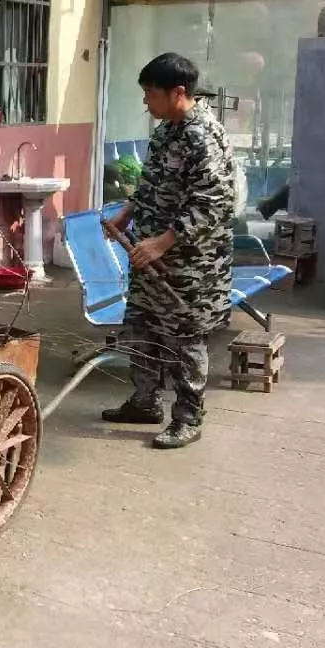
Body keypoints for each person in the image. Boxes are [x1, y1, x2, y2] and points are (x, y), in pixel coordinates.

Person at [103, 52, 235, 450]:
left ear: (178, 92)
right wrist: (127, 214)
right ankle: (144, 402)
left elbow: (214, 202)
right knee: (142, 326)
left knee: (185, 336)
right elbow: (151, 184)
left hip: (191, 263)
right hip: (149, 253)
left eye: (150, 94)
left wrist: (162, 243)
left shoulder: (203, 135)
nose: (146, 103)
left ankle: (189, 417)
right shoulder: (166, 130)